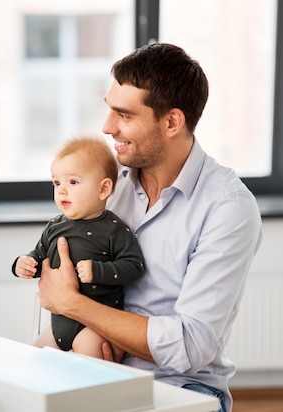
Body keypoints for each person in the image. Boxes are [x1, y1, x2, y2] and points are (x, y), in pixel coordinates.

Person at [36, 43, 262, 412]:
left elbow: (188, 346)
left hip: (180, 388)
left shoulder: (228, 208)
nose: (107, 127)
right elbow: (53, 278)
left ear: (172, 122)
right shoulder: (109, 184)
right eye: (109, 109)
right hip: (88, 365)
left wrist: (76, 306)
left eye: (123, 115)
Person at [13, 137, 144, 358]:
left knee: (86, 372)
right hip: (58, 326)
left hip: (92, 327)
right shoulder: (54, 226)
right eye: (57, 183)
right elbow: (39, 255)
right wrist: (23, 264)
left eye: (72, 182)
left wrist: (98, 271)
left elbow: (134, 266)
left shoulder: (114, 229)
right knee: (32, 360)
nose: (62, 190)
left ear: (103, 189)